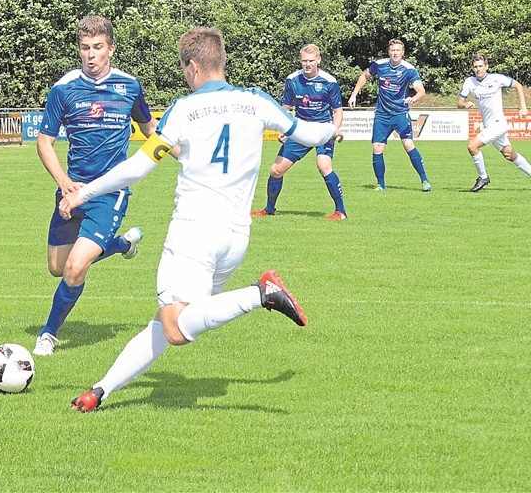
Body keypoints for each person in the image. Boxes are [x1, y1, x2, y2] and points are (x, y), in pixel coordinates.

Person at [59, 27, 336, 412]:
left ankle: (261, 293)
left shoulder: (183, 109)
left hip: (194, 232)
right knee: (169, 320)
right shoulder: (256, 101)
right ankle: (101, 390)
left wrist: (83, 192)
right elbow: (309, 132)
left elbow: (138, 167)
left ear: (192, 66)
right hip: (236, 238)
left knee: (175, 328)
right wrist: (334, 127)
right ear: (221, 60)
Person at [33, 15, 157, 356]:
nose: (91, 55)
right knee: (57, 268)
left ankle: (48, 334)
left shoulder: (130, 86)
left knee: (74, 268)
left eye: (98, 48)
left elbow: (150, 130)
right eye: (85, 48)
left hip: (109, 193)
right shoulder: (64, 89)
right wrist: (65, 184)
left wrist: (185, 151)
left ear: (111, 49)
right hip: (72, 191)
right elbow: (45, 143)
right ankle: (120, 245)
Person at [251, 44, 347, 220]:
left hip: (322, 129)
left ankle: (341, 212)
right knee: (276, 170)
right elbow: (285, 109)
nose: (307, 64)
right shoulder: (292, 80)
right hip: (300, 129)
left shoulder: (329, 82)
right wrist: (284, 129)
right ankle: (269, 210)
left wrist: (334, 129)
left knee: (324, 166)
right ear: (300, 60)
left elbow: (338, 111)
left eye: (311, 60)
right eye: (304, 61)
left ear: (319, 60)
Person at [347, 38, 431, 192]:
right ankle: (381, 184)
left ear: (403, 52)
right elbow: (364, 76)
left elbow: (421, 91)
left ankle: (424, 180)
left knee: (408, 145)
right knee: (377, 148)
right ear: (389, 51)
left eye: (398, 50)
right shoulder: (379, 65)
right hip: (382, 114)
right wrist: (354, 95)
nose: (395, 53)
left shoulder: (409, 69)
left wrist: (413, 98)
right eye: (393, 50)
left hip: (400, 113)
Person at [457, 53, 531, 191]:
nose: (478, 69)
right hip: (490, 125)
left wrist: (523, 106)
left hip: (499, 124)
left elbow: (518, 85)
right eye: (475, 67)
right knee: (509, 154)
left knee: (472, 146)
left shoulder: (496, 79)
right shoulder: (469, 82)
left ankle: (483, 177)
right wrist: (465, 104)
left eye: (480, 66)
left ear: (486, 66)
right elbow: (459, 103)